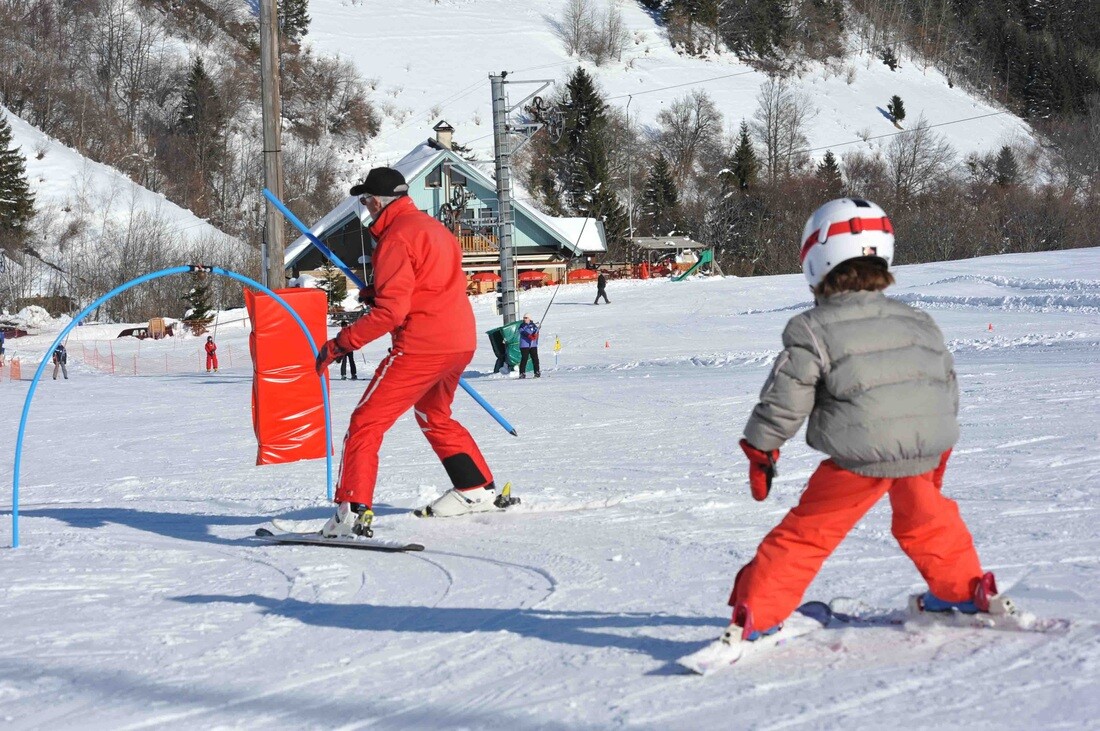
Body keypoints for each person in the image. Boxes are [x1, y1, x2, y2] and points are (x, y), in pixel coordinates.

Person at [708, 197, 1009, 649]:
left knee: (808, 534)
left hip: (860, 456)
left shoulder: (810, 328)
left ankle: (758, 615)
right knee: (928, 521)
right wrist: (932, 453)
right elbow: (944, 387)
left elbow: (786, 396)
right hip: (924, 448)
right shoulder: (919, 320)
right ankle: (966, 591)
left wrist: (761, 448)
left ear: (817, 258)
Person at [314, 166, 498, 537]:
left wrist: (340, 344)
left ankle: (352, 513)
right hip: (458, 341)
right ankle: (474, 489)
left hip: (421, 347)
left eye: (365, 201)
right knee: (434, 414)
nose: (365, 208)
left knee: (366, 424)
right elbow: (429, 282)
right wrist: (376, 290)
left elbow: (391, 313)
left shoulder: (396, 239)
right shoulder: (435, 229)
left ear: (377, 201)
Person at [518, 313, 540, 379]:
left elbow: (536, 331)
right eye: (524, 318)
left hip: (533, 344)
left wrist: (536, 335)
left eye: (526, 318)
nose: (525, 319)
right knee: (524, 358)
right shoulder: (522, 325)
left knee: (535, 358)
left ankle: (537, 372)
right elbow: (522, 332)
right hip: (524, 345)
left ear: (529, 318)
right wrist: (529, 336)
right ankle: (522, 373)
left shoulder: (533, 325)